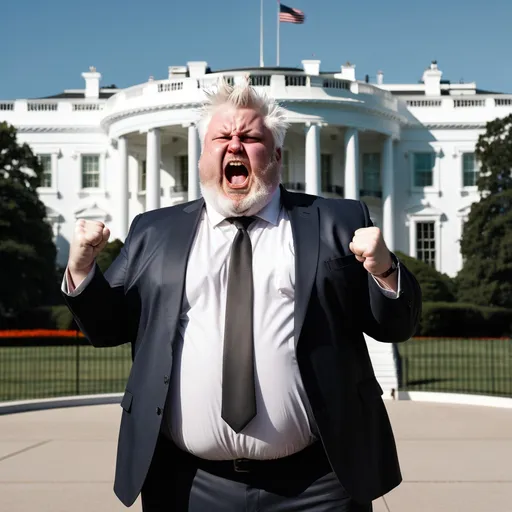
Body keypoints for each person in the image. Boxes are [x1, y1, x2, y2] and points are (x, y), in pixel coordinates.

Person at [63, 79, 421, 512]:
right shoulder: (155, 231)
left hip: (319, 485)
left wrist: (384, 269)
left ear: (276, 156)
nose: (235, 145)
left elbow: (394, 325)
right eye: (222, 137)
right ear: (202, 158)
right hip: (189, 483)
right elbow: (108, 327)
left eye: (250, 137)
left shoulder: (335, 221)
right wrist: (82, 269)